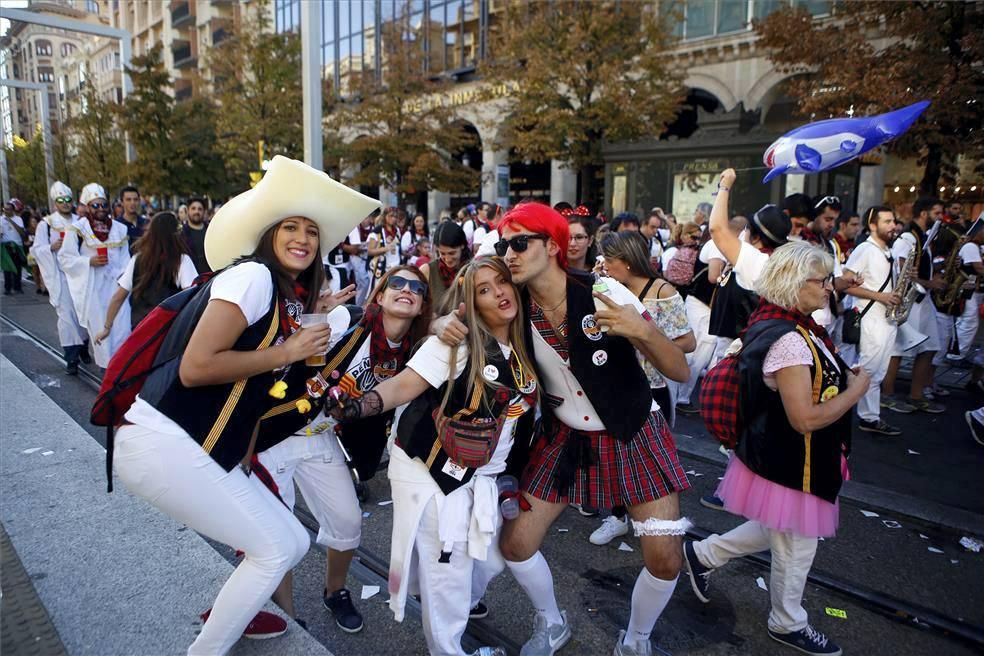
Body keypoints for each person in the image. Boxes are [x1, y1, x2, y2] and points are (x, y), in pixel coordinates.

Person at [112, 156, 380, 655]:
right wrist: (288, 351)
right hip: (164, 441)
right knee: (275, 546)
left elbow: (254, 393)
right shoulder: (253, 278)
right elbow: (196, 368)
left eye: (312, 231)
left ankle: (235, 619)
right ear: (267, 236)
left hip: (189, 446)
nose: (302, 238)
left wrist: (298, 333)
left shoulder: (277, 297)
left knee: (293, 543)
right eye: (290, 228)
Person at [436, 202, 692, 656]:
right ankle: (551, 622)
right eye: (502, 245)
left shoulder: (603, 291)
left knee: (665, 559)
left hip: (633, 429)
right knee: (515, 543)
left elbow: (678, 370)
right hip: (563, 435)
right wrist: (442, 323)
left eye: (519, 243)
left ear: (552, 246)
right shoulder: (511, 305)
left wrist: (643, 331)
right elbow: (456, 318)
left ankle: (636, 639)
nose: (509, 254)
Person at [326, 257, 535, 656]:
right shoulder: (454, 342)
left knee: (490, 559)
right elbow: (402, 386)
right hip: (434, 468)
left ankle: (442, 591)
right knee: (450, 568)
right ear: (470, 304)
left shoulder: (523, 343)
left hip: (484, 475)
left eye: (502, 283)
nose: (499, 294)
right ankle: (448, 648)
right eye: (484, 290)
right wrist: (357, 406)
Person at [682, 241, 870, 656]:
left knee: (780, 529)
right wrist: (856, 391)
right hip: (791, 458)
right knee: (798, 543)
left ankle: (702, 554)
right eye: (821, 281)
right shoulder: (790, 340)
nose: (829, 288)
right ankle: (787, 622)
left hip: (783, 455)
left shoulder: (786, 324)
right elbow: (804, 418)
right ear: (794, 283)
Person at [255, 265, 430, 634]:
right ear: (379, 295)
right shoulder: (345, 320)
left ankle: (335, 592)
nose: (406, 289)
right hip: (274, 432)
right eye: (396, 283)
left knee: (348, 522)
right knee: (277, 530)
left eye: (416, 288)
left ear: (421, 306)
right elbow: (289, 345)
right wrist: (310, 314)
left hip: (320, 437)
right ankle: (286, 614)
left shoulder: (415, 351)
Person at [591, 231, 695, 547]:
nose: (604, 267)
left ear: (626, 261)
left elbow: (687, 341)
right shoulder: (607, 288)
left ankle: (652, 522)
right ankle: (618, 517)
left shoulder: (662, 290)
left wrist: (645, 336)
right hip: (618, 384)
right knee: (615, 456)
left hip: (653, 386)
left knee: (649, 463)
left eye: (609, 261)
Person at [707, 170, 791, 367]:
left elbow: (717, 229)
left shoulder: (757, 261)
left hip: (740, 352)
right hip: (751, 348)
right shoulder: (772, 261)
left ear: (754, 237)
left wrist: (724, 186)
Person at [878, 197, 946, 414]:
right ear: (924, 214)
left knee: (930, 346)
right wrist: (929, 283)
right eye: (936, 213)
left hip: (924, 301)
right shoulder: (908, 237)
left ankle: (916, 395)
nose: (940, 218)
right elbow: (902, 271)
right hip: (911, 301)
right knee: (897, 350)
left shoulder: (923, 238)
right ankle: (886, 395)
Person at [843, 206, 903, 436]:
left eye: (894, 221)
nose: (893, 225)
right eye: (887, 221)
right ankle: (866, 417)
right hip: (871, 317)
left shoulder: (887, 251)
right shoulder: (865, 250)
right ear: (873, 226)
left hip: (886, 318)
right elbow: (847, 282)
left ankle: (869, 415)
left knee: (877, 371)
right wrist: (882, 297)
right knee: (868, 369)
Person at [58, 184, 132, 368]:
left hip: (117, 286)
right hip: (93, 288)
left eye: (103, 205)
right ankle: (106, 369)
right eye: (95, 205)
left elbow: (125, 259)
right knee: (101, 329)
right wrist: (88, 262)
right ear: (87, 207)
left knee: (122, 328)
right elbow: (65, 259)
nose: (100, 209)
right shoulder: (77, 229)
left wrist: (123, 279)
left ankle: (121, 368)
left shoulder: (120, 229)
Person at [94, 212, 198, 340]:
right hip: (170, 331)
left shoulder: (138, 259)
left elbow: (118, 297)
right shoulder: (181, 260)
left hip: (141, 329)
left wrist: (106, 328)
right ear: (175, 234)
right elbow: (194, 296)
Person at [31, 182, 90, 374]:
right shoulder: (46, 224)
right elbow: (36, 250)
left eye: (68, 200)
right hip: (61, 277)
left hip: (79, 276)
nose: (65, 203)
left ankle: (83, 348)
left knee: (84, 313)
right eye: (61, 200)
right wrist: (50, 248)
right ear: (55, 202)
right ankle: (71, 358)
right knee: (67, 318)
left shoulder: (80, 222)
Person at [419, 221, 472, 310]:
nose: (447, 259)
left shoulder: (472, 269)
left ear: (462, 246)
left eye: (452, 253)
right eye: (442, 253)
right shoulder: (427, 271)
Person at [952, 228, 984, 362]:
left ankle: (956, 352)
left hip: (974, 289)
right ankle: (956, 355)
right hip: (967, 289)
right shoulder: (971, 246)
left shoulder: (978, 247)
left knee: (966, 321)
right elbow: (979, 268)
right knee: (969, 321)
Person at [367, 207, 403, 285]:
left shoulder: (397, 230)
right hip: (380, 269)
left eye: (395, 216)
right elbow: (369, 251)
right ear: (384, 216)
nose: (393, 218)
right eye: (391, 216)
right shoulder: (377, 231)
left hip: (395, 267)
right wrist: (385, 249)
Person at [1, 199, 28, 295]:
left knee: (17, 267)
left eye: (8, 209)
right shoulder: (1, 219)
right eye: (5, 209)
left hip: (17, 246)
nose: (6, 211)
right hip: (6, 246)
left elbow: (22, 232)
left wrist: (10, 221)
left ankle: (17, 287)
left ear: (12, 210)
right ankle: (7, 288)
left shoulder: (18, 219)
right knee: (7, 268)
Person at [182, 197, 210, 274]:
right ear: (188, 211)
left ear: (204, 212)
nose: (196, 211)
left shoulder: (211, 231)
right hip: (191, 279)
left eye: (200, 209)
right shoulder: (181, 234)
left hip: (211, 278)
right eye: (193, 208)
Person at [118, 185, 149, 250]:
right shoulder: (116, 225)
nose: (132, 203)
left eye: (135, 199)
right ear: (121, 203)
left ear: (139, 201)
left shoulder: (147, 223)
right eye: (128, 200)